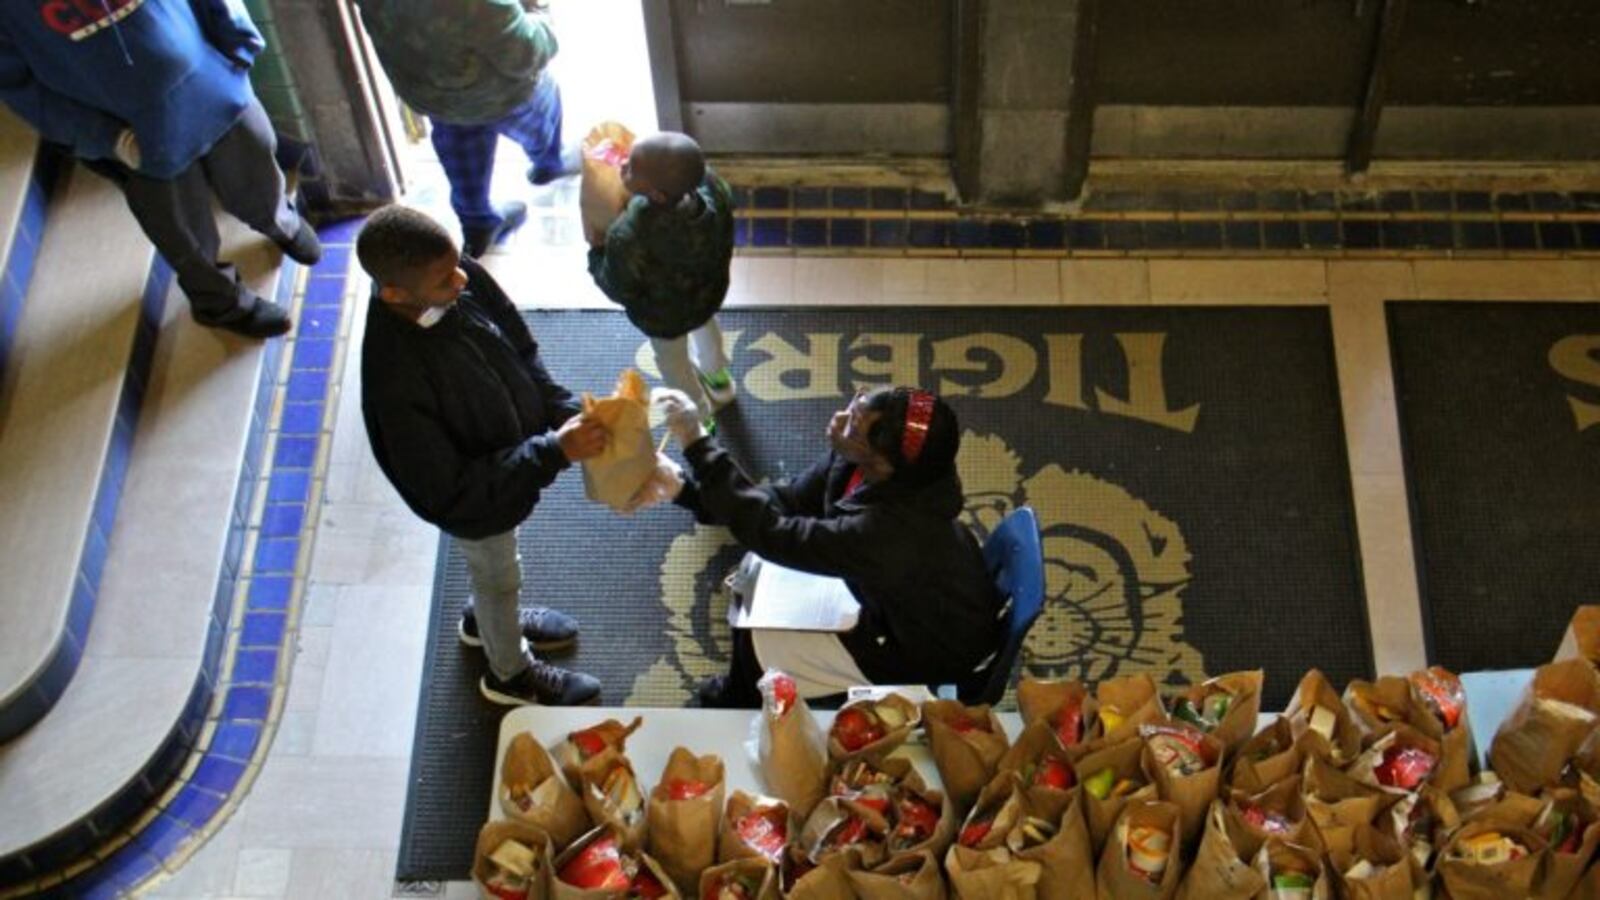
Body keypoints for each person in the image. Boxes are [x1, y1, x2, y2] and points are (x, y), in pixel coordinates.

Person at [357, 205, 605, 706]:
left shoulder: (452, 278)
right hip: (475, 502)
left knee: (497, 572)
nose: (463, 279)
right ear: (395, 295)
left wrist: (556, 405)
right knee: (498, 574)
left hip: (506, 461)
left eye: (458, 263)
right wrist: (553, 451)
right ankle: (509, 673)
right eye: (445, 278)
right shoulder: (395, 381)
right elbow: (453, 490)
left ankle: (485, 620)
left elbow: (515, 337)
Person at [652, 385, 1004, 708]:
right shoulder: (872, 465)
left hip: (924, 646)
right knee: (759, 580)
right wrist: (687, 491)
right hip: (912, 599)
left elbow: (775, 534)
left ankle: (739, 697)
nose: (838, 419)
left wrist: (698, 443)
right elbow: (788, 501)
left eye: (853, 426)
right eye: (856, 403)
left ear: (883, 463)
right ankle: (743, 687)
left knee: (759, 640)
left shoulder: (890, 534)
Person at [0, 0, 320, 339]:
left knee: (256, 164)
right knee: (183, 231)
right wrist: (111, 139)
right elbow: (20, 87)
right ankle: (223, 304)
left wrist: (238, 41)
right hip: (133, 134)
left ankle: (280, 222)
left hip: (211, 83)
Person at [355, 0, 574, 259]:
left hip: (432, 94)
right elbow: (524, 53)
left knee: (463, 162)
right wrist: (542, 14)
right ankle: (548, 163)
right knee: (542, 114)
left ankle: (479, 221)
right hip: (500, 94)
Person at [588, 132, 736, 429]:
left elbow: (618, 286)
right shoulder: (714, 188)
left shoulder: (630, 234)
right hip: (707, 294)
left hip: (663, 317)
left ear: (656, 195)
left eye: (631, 168)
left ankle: (699, 418)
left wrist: (597, 253)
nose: (623, 166)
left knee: (673, 365)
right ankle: (718, 377)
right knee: (707, 330)